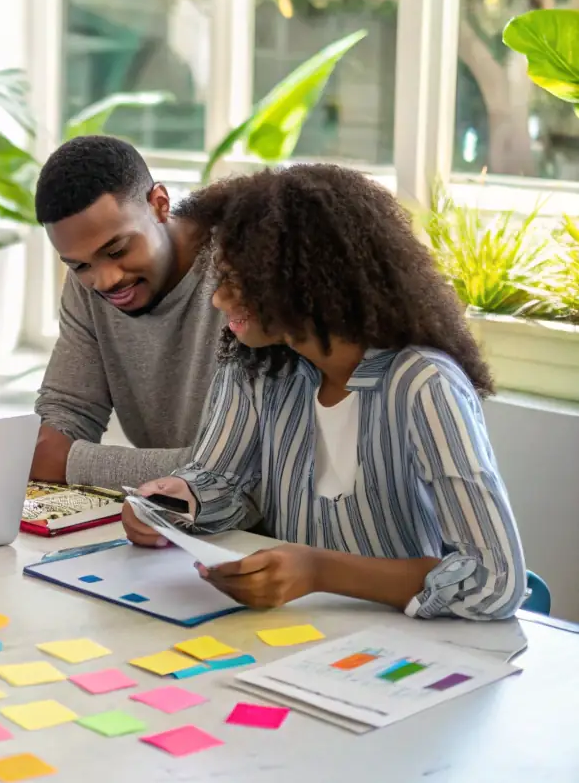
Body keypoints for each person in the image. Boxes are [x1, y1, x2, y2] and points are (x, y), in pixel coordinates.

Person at [130, 164, 525, 621]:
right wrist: (174, 500)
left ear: (305, 282)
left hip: (405, 641)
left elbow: (494, 579)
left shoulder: (422, 384)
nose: (218, 299)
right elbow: (221, 484)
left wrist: (319, 571)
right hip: (293, 632)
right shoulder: (255, 367)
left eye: (237, 282)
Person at [31, 135, 225, 489]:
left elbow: (247, 468)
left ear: (159, 205)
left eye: (117, 250)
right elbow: (68, 412)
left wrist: (72, 463)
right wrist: (51, 451)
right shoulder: (88, 284)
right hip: (171, 512)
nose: (105, 280)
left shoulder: (239, 271)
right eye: (79, 265)